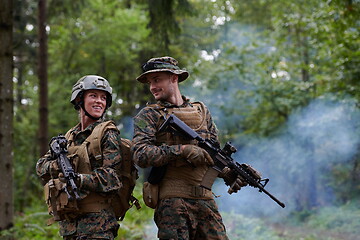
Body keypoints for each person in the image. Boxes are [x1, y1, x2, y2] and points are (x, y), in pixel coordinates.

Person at [132, 56, 246, 240]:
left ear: (174, 78)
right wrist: (182, 150)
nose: (152, 86)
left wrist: (227, 172)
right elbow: (140, 155)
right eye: (150, 82)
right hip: (173, 204)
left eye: (157, 79)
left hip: (205, 201)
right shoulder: (149, 115)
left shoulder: (201, 111)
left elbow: (211, 154)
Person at [36, 75, 123, 240]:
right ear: (79, 100)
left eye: (103, 98)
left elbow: (112, 178)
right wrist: (56, 166)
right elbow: (40, 166)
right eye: (93, 96)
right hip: (70, 228)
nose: (99, 101)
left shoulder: (107, 133)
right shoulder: (69, 137)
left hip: (98, 227)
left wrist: (79, 179)